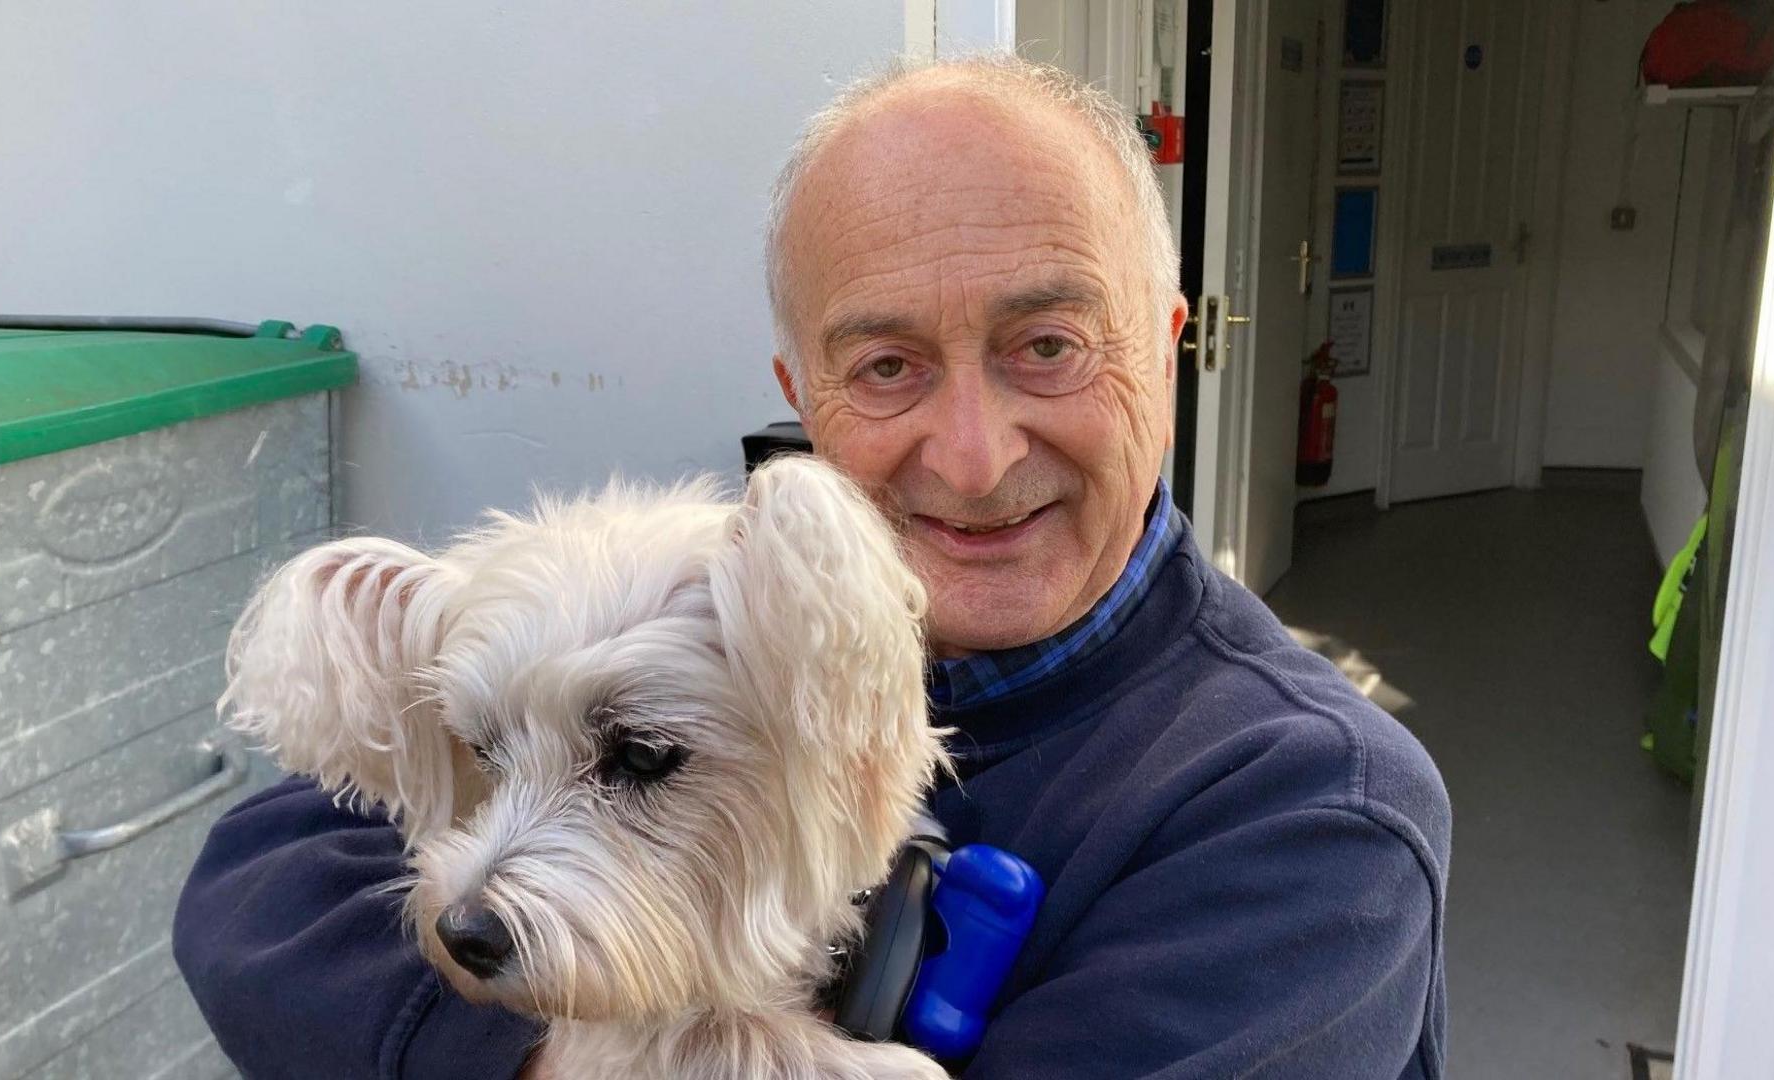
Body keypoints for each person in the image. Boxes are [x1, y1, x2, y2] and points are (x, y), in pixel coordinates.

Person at [176, 55, 1450, 1079]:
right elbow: (257, 888)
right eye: (888, 366)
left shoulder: (1307, 814)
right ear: (803, 396)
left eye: (1048, 346)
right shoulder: (703, 601)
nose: (969, 456)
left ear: (1165, 355)